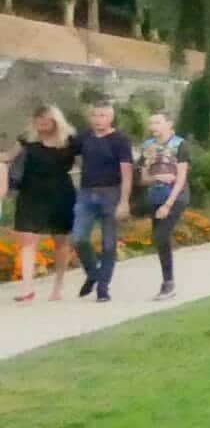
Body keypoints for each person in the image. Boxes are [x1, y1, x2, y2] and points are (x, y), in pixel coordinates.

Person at [3, 106, 78, 301]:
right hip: (31, 193)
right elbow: (8, 157)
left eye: (47, 119)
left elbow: (87, 161)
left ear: (56, 121)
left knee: (60, 241)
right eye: (38, 119)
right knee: (27, 238)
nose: (42, 123)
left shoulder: (70, 141)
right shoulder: (27, 139)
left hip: (60, 193)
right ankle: (27, 288)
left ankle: (58, 286)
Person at [72, 100, 133, 303]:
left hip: (111, 194)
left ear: (111, 117)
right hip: (87, 193)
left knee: (108, 244)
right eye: (95, 115)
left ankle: (103, 288)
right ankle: (93, 273)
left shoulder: (119, 140)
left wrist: (124, 202)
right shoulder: (85, 137)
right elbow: (67, 152)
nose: (98, 120)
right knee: (79, 238)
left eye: (103, 115)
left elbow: (127, 173)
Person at [137, 111, 191, 300]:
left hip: (175, 197)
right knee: (159, 239)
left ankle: (168, 284)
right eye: (151, 123)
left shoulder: (180, 145)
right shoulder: (147, 147)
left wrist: (168, 204)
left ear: (169, 124)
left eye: (158, 123)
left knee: (160, 236)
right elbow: (143, 178)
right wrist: (156, 178)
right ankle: (168, 281)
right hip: (155, 196)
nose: (154, 127)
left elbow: (181, 177)